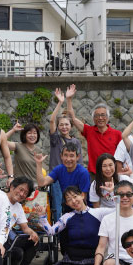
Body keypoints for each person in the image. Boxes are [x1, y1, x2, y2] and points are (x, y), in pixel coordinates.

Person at [40, 186, 112, 265]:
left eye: (75, 196)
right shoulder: (67, 217)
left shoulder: (98, 213)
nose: (73, 201)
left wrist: (112, 193)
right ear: (67, 203)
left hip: (90, 259)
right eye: (69, 200)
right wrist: (42, 217)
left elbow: (118, 210)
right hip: (71, 258)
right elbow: (51, 231)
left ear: (82, 195)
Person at [64, 84, 122, 178]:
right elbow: (73, 118)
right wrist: (69, 99)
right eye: (96, 116)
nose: (100, 118)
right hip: (94, 175)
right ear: (93, 118)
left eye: (103, 115)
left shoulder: (117, 134)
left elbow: (121, 156)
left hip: (111, 174)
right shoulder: (89, 131)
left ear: (107, 117)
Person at [49, 87, 82, 220]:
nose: (64, 127)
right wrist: (60, 102)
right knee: (57, 206)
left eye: (66, 124)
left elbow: (79, 162)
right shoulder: (55, 139)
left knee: (73, 205)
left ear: (71, 126)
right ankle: (58, 235)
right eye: (61, 125)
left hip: (72, 178)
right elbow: (51, 121)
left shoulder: (76, 142)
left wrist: (69, 100)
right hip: (56, 178)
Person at [34, 144, 90, 213]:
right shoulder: (59, 169)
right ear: (61, 156)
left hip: (82, 207)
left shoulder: (83, 172)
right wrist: (39, 164)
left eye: (71, 156)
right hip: (67, 205)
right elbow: (42, 183)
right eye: (65, 155)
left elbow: (83, 198)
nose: (68, 159)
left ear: (77, 157)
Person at [3, 176, 40, 265]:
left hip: (8, 238)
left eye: (26, 193)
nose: (22, 194)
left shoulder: (18, 207)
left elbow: (25, 228)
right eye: (21, 189)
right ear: (12, 187)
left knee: (33, 240)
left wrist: (33, 233)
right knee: (17, 252)